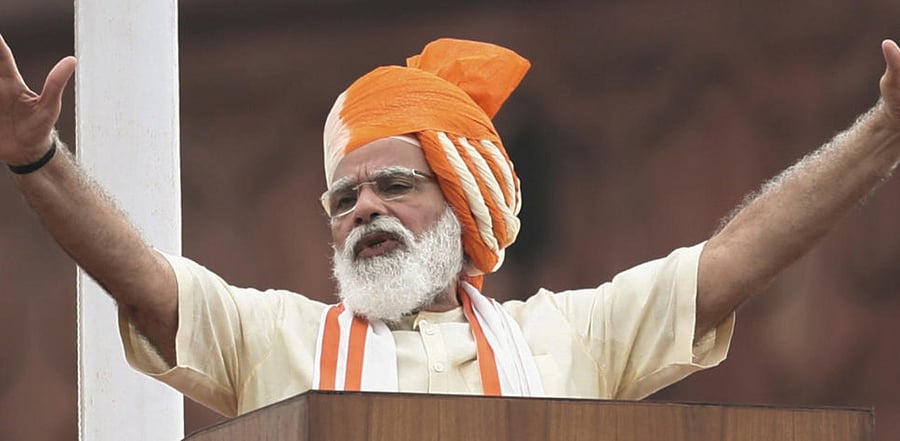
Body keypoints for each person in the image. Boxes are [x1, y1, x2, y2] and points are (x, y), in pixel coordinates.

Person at [2, 34, 900, 418]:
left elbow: (734, 263)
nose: (363, 210)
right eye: (343, 199)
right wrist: (38, 162)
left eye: (393, 184)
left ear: (465, 200)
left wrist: (880, 136)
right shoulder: (279, 340)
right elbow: (146, 281)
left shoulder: (570, 338)